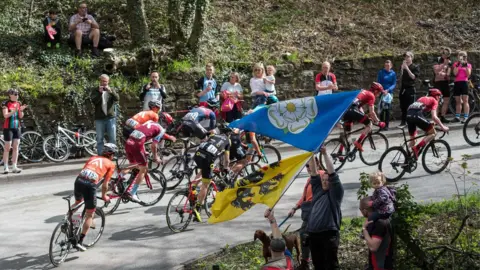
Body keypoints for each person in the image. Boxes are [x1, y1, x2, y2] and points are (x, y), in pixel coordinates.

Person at [72, 143, 117, 251]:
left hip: (79, 180)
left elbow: (84, 171)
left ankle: (67, 221)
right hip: (90, 185)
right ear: (111, 154)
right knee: (89, 214)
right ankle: (80, 241)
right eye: (114, 154)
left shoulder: (93, 158)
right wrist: (104, 196)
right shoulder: (111, 164)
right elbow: (105, 184)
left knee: (78, 202)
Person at [306, 146, 343, 270]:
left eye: (328, 180)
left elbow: (332, 173)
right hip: (313, 235)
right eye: (323, 180)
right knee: (318, 265)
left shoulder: (335, 194)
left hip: (328, 235)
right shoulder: (317, 190)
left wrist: (325, 154)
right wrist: (310, 152)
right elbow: (313, 172)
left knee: (331, 266)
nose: (325, 182)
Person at [124, 120, 176, 202]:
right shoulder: (161, 130)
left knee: (133, 165)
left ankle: (120, 178)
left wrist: (144, 151)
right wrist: (156, 157)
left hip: (128, 142)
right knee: (144, 168)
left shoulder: (149, 122)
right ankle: (133, 193)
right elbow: (154, 145)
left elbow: (142, 136)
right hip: (137, 145)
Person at [192, 130, 232, 222]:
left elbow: (208, 137)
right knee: (206, 184)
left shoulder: (214, 135)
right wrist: (226, 168)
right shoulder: (227, 141)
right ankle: (197, 208)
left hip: (198, 153)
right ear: (229, 135)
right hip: (208, 157)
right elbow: (227, 160)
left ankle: (192, 188)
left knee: (203, 169)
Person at [287, 163, 322, 269]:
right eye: (306, 166)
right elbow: (304, 197)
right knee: (305, 236)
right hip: (307, 212)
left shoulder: (321, 176)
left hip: (315, 213)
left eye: (310, 165)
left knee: (305, 235)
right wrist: (295, 207)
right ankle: (307, 261)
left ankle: (306, 262)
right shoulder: (309, 179)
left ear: (318, 164)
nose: (308, 168)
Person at [341, 82, 386, 153]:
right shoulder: (372, 95)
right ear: (376, 91)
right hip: (352, 109)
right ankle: (358, 142)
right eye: (379, 92)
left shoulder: (363, 91)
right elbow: (372, 112)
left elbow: (359, 107)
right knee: (369, 124)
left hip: (345, 110)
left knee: (347, 133)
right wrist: (378, 122)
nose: (379, 94)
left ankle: (340, 152)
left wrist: (364, 115)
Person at [406, 88, 449, 159]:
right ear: (436, 96)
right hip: (416, 115)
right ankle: (417, 148)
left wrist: (429, 123)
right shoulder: (434, 100)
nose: (439, 98)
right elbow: (434, 117)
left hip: (408, 115)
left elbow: (418, 112)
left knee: (413, 140)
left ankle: (406, 156)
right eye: (439, 96)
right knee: (433, 133)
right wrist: (443, 127)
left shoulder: (423, 98)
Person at [360, 197, 394, 270]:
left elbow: (373, 247)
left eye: (360, 209)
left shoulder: (379, 223)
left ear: (365, 210)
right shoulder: (383, 219)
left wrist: (364, 230)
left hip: (380, 265)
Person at [90, 74, 119, 155]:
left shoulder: (111, 89)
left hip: (110, 118)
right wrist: (99, 93)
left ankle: (113, 155)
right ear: (100, 81)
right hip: (99, 118)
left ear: (108, 81)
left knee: (112, 138)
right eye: (102, 81)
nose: (104, 83)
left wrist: (111, 92)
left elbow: (117, 99)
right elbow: (94, 101)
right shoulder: (95, 90)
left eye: (105, 81)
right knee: (99, 139)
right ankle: (100, 155)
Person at [2, 89, 27, 174]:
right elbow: (5, 115)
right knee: (7, 147)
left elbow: (20, 116)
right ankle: (5, 167)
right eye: (15, 94)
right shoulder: (5, 103)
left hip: (17, 127)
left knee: (16, 147)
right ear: (10, 95)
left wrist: (21, 110)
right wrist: (14, 111)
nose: (17, 95)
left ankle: (14, 166)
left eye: (18, 94)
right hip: (8, 128)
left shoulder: (18, 103)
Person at [399, 51, 420, 126]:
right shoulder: (403, 66)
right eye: (405, 57)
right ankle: (403, 121)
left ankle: (411, 121)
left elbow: (413, 77)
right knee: (403, 106)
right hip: (403, 88)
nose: (406, 58)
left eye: (408, 57)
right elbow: (400, 78)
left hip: (410, 88)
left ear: (411, 58)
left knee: (410, 106)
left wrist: (407, 68)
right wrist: (402, 69)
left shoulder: (415, 66)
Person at [433, 48, 452, 123]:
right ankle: (435, 119)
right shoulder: (437, 59)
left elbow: (448, 75)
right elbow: (436, 71)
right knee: (436, 100)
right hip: (438, 83)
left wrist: (444, 74)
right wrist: (443, 64)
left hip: (445, 83)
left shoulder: (449, 62)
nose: (445, 54)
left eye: (447, 53)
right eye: (444, 53)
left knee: (446, 100)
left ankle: (443, 116)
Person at [452, 51, 472, 123]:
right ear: (458, 57)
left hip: (464, 82)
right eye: (461, 56)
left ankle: (466, 117)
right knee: (458, 101)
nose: (463, 57)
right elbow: (455, 73)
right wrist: (458, 65)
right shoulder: (455, 64)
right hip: (457, 82)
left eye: (464, 56)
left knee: (465, 100)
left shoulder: (468, 65)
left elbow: (468, 74)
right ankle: (457, 116)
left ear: (466, 57)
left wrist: (465, 65)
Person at [377, 60, 396, 130]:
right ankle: (381, 125)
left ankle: (387, 125)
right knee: (381, 110)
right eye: (386, 65)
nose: (387, 67)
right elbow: (379, 82)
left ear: (391, 66)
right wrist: (382, 90)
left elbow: (394, 84)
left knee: (387, 110)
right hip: (382, 92)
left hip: (389, 93)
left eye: (388, 65)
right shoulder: (381, 72)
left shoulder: (393, 73)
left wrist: (388, 90)